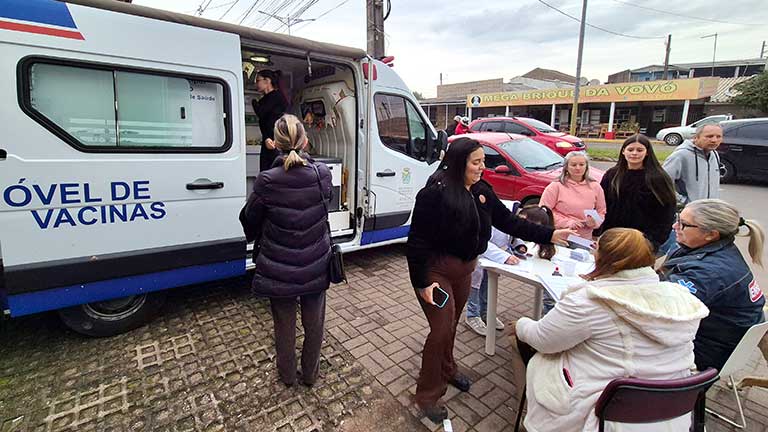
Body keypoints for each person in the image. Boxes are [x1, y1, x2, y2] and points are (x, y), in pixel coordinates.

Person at [406, 137, 574, 423]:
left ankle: (447, 369)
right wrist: (422, 282)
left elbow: (509, 223)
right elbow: (417, 241)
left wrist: (548, 235)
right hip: (436, 272)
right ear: (460, 163)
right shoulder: (434, 194)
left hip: (464, 270)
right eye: (476, 162)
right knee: (440, 330)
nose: (483, 167)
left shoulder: (482, 191)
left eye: (484, 161)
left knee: (452, 324)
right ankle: (428, 395)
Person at [512, 228, 709, 432]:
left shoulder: (589, 301)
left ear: (602, 257)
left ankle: (529, 419)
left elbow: (542, 339)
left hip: (605, 412)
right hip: (671, 412)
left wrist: (520, 324)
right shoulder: (679, 298)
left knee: (523, 343)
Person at [241, 114, 332, 387]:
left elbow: (250, 219)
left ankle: (288, 376)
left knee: (284, 326)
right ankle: (311, 375)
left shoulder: (267, 180)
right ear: (305, 141)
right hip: (316, 263)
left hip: (278, 266)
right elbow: (326, 206)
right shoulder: (322, 174)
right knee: (314, 324)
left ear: (274, 144)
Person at [659, 199, 765, 371]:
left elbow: (662, 309)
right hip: (718, 339)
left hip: (708, 351)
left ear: (711, 234)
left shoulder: (710, 273)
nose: (674, 226)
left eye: (683, 224)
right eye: (677, 218)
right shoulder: (713, 249)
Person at [599, 134, 676, 252]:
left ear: (647, 153)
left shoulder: (658, 178)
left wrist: (655, 241)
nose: (634, 153)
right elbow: (602, 204)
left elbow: (667, 211)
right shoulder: (612, 175)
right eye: (630, 149)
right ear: (623, 152)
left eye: (639, 150)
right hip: (613, 236)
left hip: (643, 240)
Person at [658, 124, 724, 254]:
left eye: (718, 137)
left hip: (708, 213)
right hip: (688, 215)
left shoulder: (714, 154)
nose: (714, 140)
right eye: (709, 136)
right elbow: (662, 182)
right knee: (674, 247)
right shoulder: (681, 155)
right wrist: (682, 201)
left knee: (696, 249)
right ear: (697, 137)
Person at [465, 200, 525, 336]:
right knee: (474, 286)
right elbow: (482, 240)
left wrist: (519, 245)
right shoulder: (491, 213)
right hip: (478, 254)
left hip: (492, 259)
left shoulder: (513, 215)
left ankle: (486, 313)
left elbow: (514, 234)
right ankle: (472, 315)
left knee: (487, 285)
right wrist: (505, 257)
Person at [540, 151, 606, 240]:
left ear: (586, 166)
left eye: (581, 164)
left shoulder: (595, 186)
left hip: (583, 238)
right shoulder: (556, 186)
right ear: (566, 167)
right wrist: (567, 222)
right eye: (573, 165)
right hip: (560, 235)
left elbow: (601, 211)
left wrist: (595, 222)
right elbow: (544, 211)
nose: (578, 168)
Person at [252, 69, 288, 172]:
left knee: (274, 172)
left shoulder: (277, 96)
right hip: (267, 139)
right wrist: (266, 138)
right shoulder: (265, 99)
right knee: (265, 172)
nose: (256, 84)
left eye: (258, 80)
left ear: (267, 81)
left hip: (276, 141)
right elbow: (264, 120)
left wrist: (254, 102)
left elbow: (262, 113)